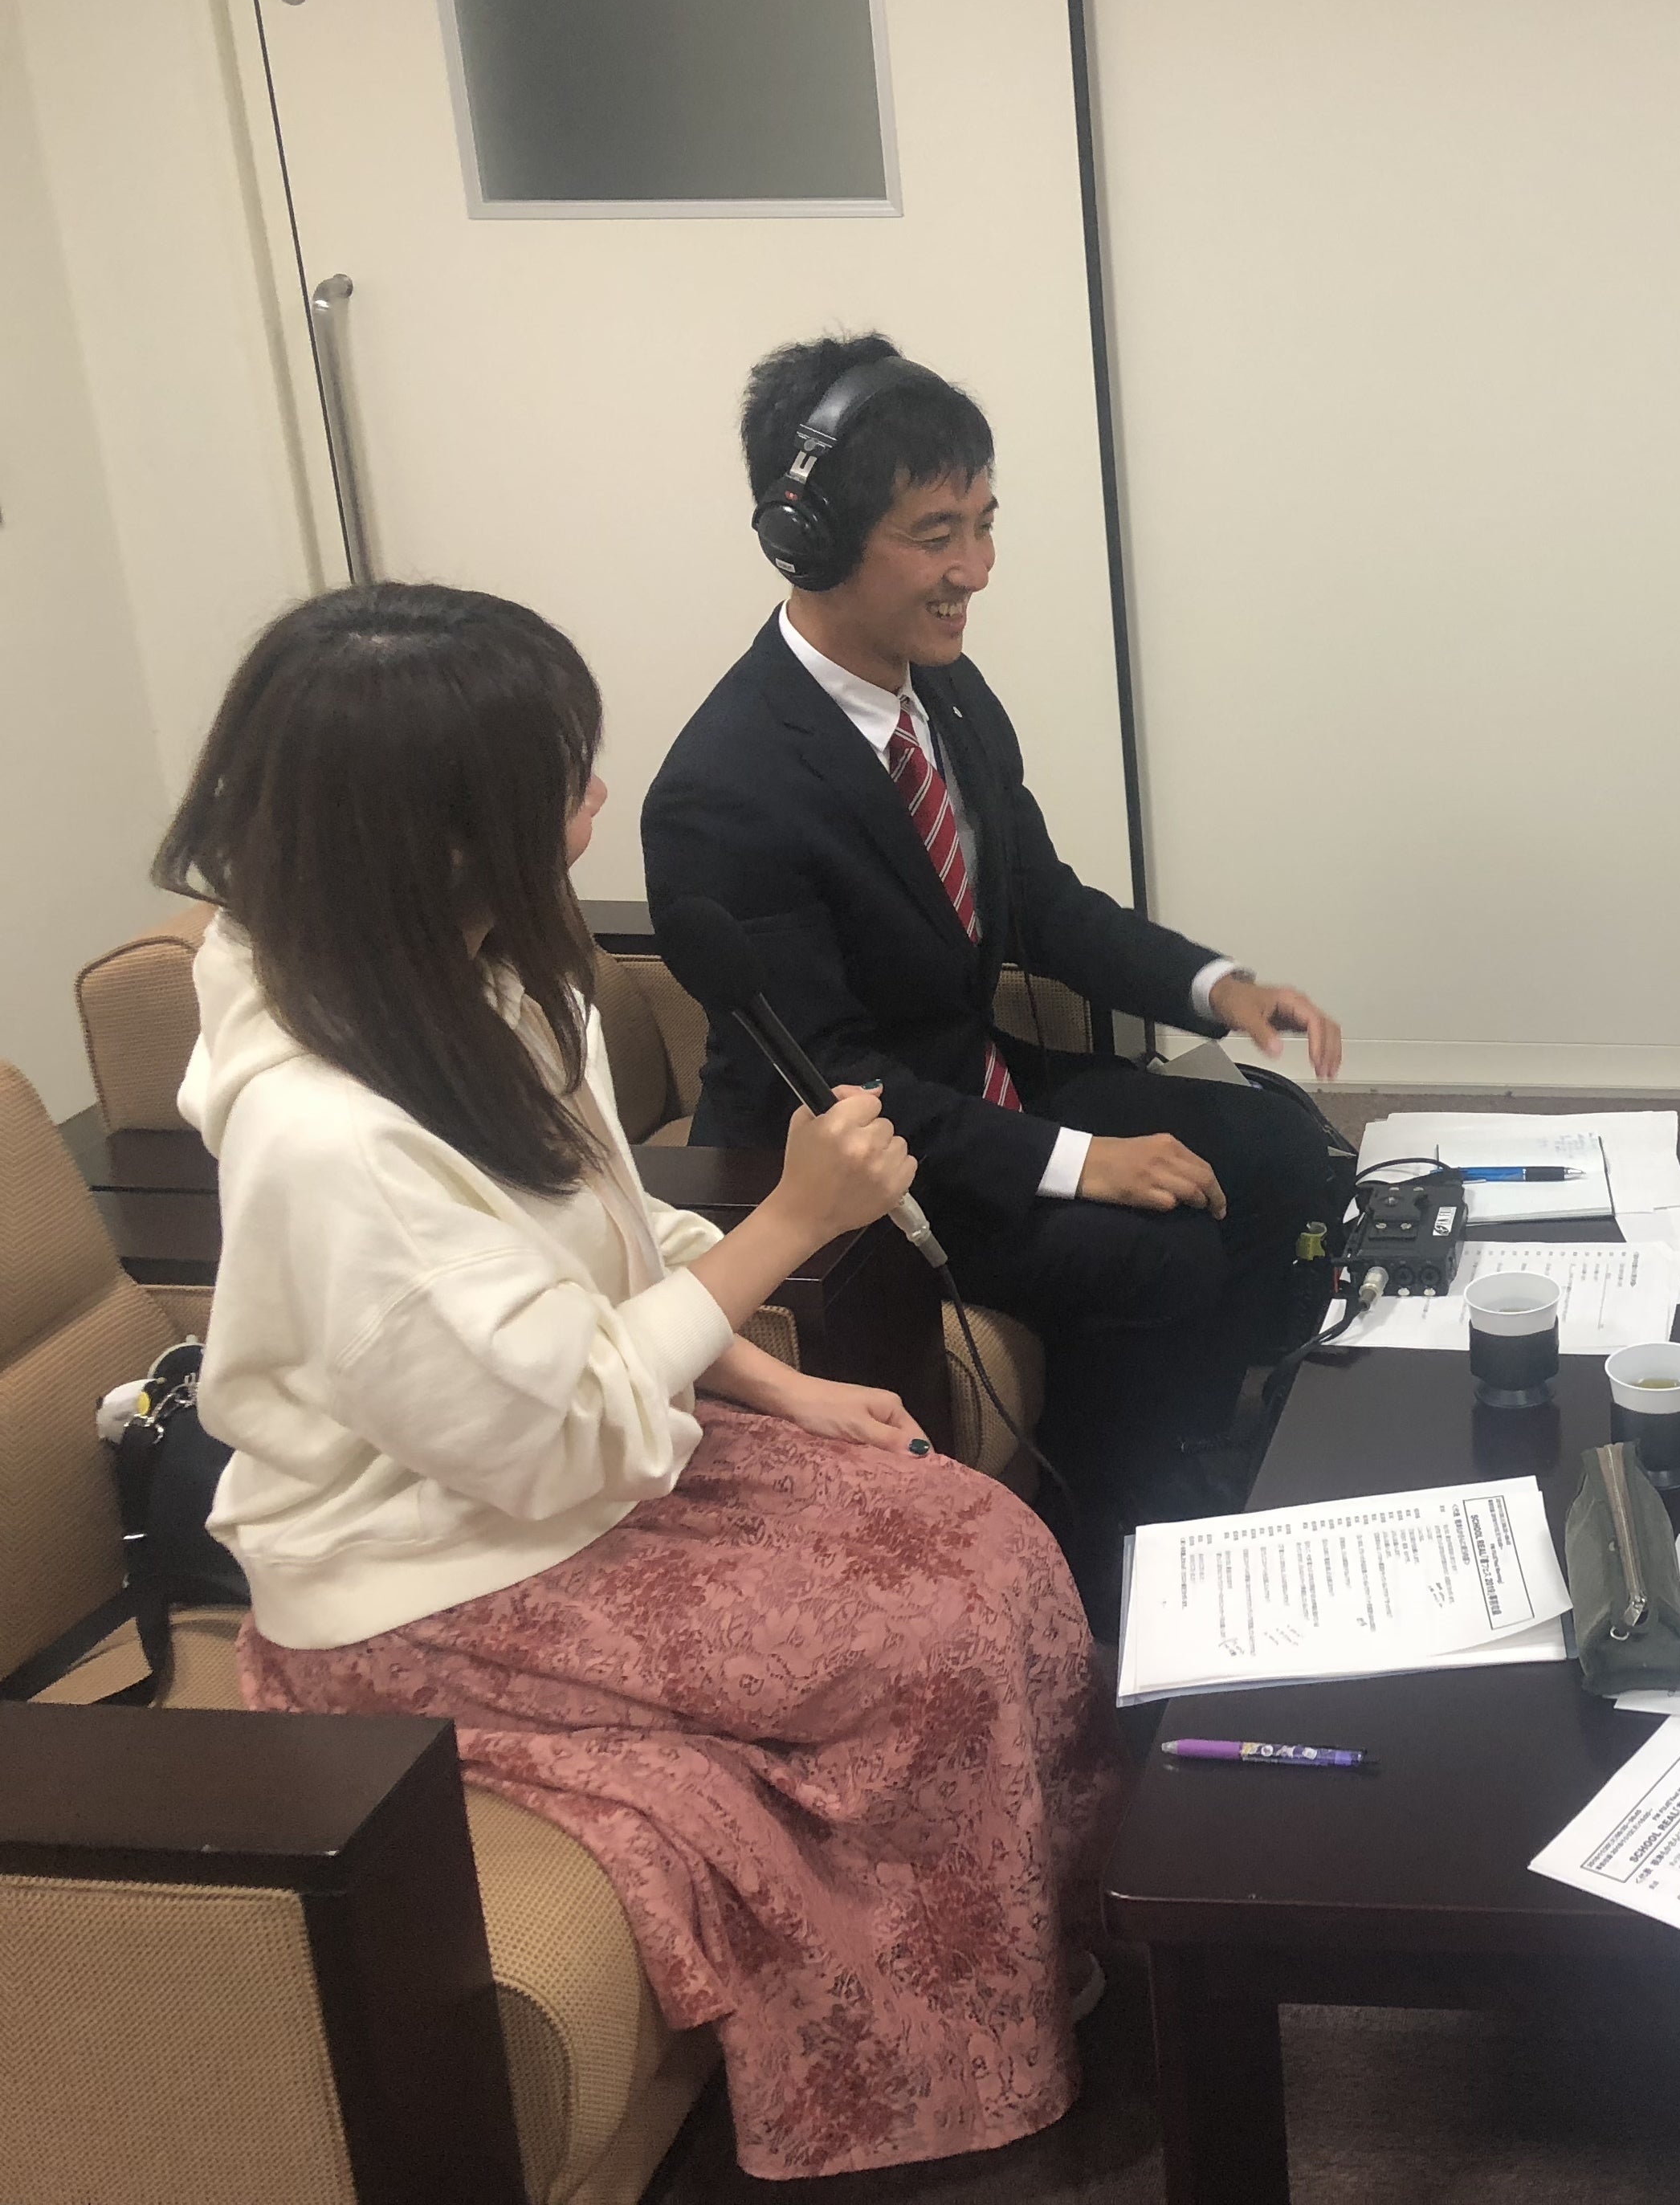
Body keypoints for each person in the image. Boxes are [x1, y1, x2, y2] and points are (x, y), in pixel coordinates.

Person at [167, 585, 1114, 2183]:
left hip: (591, 1452)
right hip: (437, 1569)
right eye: (561, 784)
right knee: (922, 1641)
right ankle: (921, 2085)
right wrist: (792, 1226)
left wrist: (776, 1386)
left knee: (989, 1542)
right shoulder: (321, 1138)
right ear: (434, 836)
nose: (598, 802)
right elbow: (544, 1431)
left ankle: (1041, 1961)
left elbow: (612, 1244)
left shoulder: (479, 979)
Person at [642, 335, 1348, 1543]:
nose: (974, 569)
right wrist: (1077, 1161)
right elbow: (835, 1075)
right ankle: (1112, 1541)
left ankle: (1200, 1438)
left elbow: (1041, 904)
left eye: (983, 524)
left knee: (1278, 1146)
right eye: (936, 535)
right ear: (810, 538)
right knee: (1163, 1252)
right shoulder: (728, 789)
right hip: (847, 1164)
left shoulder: (947, 694)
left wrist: (1216, 987)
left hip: (968, 1088)